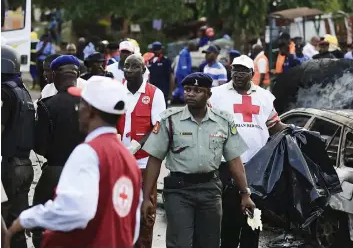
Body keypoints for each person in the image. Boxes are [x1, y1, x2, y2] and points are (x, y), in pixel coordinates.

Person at [4, 76, 142, 248]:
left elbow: (76, 210)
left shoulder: (89, 152)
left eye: (81, 104)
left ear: (90, 110)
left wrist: (27, 219)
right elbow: (133, 226)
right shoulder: (129, 159)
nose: (78, 110)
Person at [141, 72, 255, 248]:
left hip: (210, 190)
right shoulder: (169, 120)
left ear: (209, 94)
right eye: (187, 89)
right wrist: (146, 197)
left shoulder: (223, 121)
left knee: (209, 243)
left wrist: (245, 194)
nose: (190, 94)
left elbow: (234, 160)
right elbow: (155, 160)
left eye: (197, 90)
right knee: (181, 243)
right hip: (179, 190)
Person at [210, 55, 287, 248]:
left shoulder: (264, 97)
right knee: (228, 221)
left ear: (252, 74)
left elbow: (274, 125)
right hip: (225, 165)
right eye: (235, 69)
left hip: (257, 167)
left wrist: (294, 130)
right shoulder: (216, 95)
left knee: (253, 221)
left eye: (243, 70)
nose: (238, 73)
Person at [32, 55, 86, 248]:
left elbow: (39, 146)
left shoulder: (47, 105)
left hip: (56, 170)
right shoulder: (91, 104)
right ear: (77, 74)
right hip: (86, 173)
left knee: (39, 217)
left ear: (54, 75)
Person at [117, 54, 166, 248]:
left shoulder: (154, 94)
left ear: (144, 70)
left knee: (146, 209)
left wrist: (138, 144)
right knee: (121, 207)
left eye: (134, 67)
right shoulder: (118, 91)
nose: (129, 70)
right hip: (120, 161)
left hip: (145, 162)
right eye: (126, 66)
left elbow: (158, 127)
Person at [1, 45, 35, 248]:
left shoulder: (3, 93)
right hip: (25, 165)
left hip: (9, 165)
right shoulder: (23, 92)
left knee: (5, 224)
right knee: (18, 225)